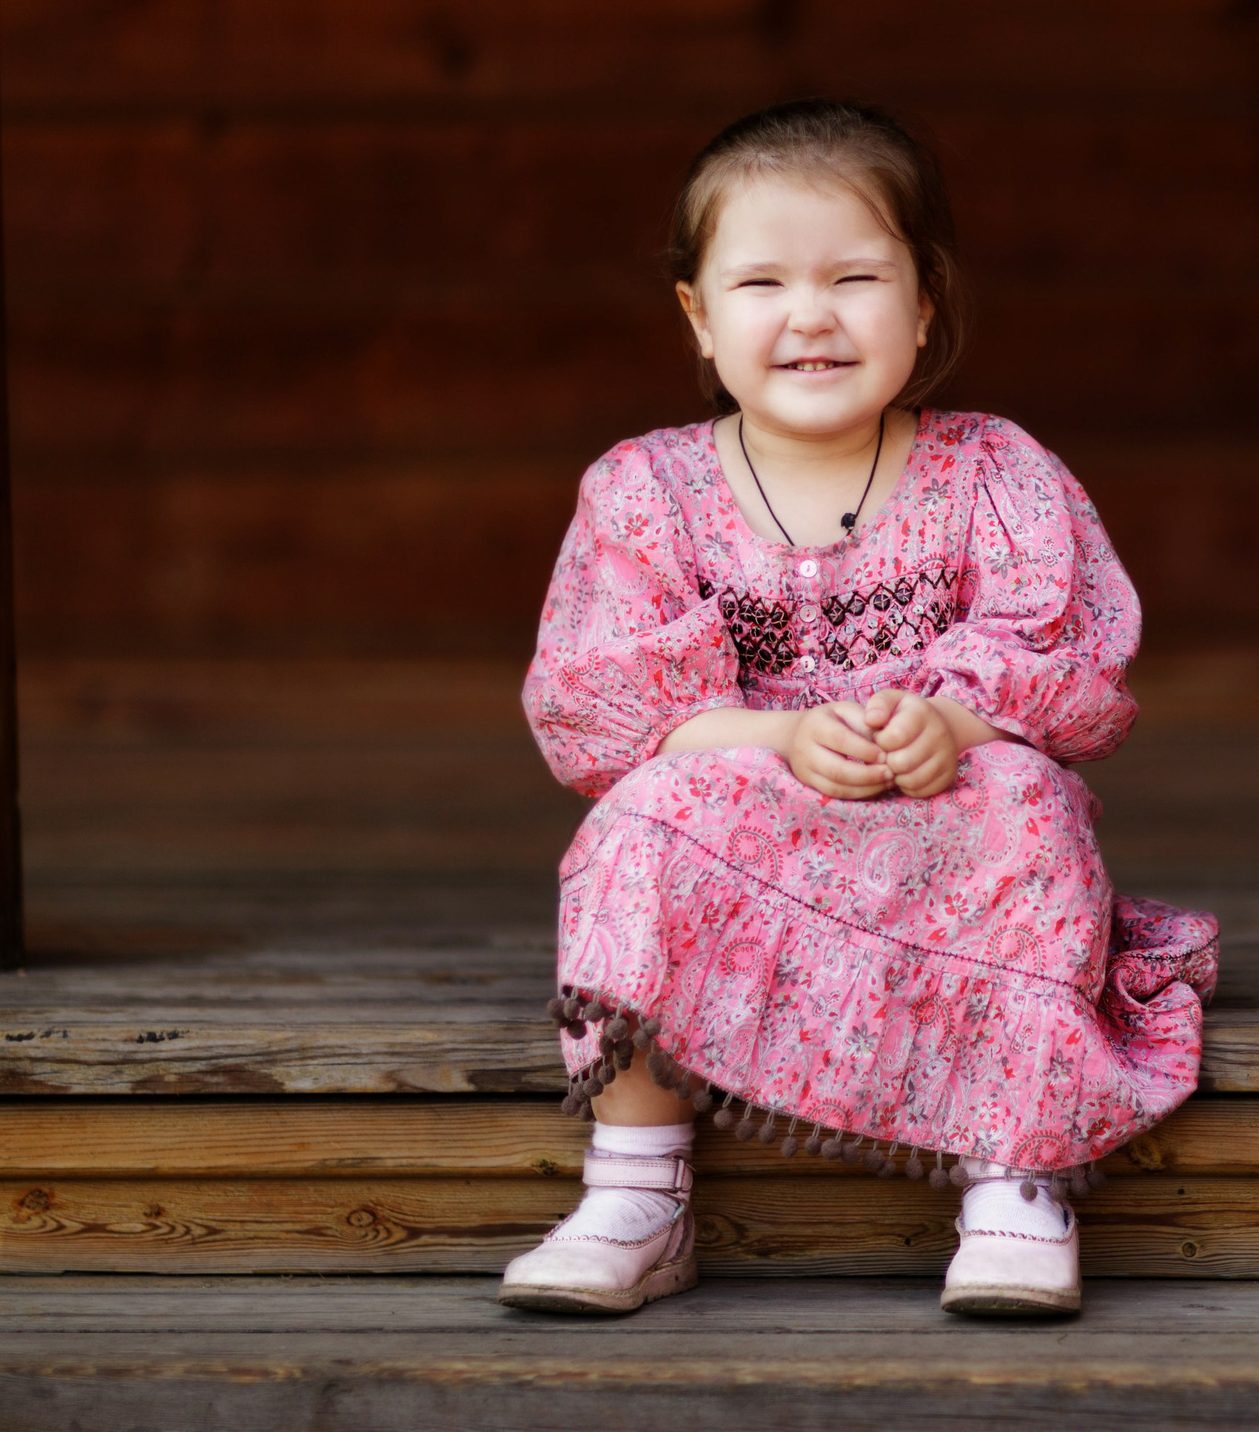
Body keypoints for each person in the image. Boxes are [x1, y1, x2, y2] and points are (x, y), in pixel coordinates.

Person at [498, 99, 1217, 1319]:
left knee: (1028, 800)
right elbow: (608, 705)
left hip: (938, 820)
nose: (810, 315)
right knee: (640, 816)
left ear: (924, 302)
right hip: (747, 814)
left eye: (855, 277)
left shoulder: (993, 470)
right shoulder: (644, 488)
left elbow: (1065, 657)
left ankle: (1013, 1175)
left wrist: (955, 722)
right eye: (762, 282)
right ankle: (636, 1187)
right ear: (698, 317)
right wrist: (776, 735)